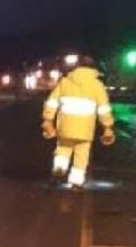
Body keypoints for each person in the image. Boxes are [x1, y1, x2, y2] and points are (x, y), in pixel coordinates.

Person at [41, 55, 115, 189]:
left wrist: (48, 119)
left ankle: (60, 166)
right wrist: (107, 126)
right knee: (82, 154)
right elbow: (103, 108)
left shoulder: (65, 82)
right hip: (85, 127)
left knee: (63, 147)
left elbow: (52, 102)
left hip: (66, 125)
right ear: (94, 69)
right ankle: (76, 181)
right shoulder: (97, 85)